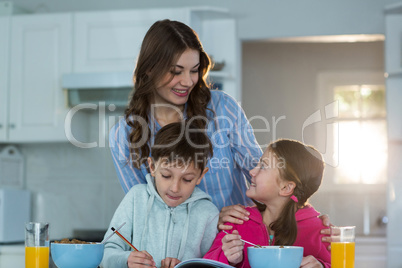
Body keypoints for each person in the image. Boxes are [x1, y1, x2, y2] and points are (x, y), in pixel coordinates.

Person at [109, 19, 331, 236]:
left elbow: (266, 179)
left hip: (237, 242)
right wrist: (211, 219)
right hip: (177, 255)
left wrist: (306, 219)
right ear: (149, 70)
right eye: (176, 71)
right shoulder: (124, 136)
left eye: (194, 70)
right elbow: (144, 212)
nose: (187, 81)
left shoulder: (222, 108)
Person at [101, 121, 219, 268]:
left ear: (201, 176)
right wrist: (126, 260)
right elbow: (104, 254)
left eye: (187, 179)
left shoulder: (208, 213)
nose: (175, 188)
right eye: (166, 176)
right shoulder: (136, 198)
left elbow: (213, 263)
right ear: (152, 167)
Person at [204, 139, 331, 268]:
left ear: (286, 188)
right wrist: (227, 258)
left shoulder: (321, 232)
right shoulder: (236, 222)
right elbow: (205, 264)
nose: (252, 171)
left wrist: (321, 266)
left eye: (263, 167)